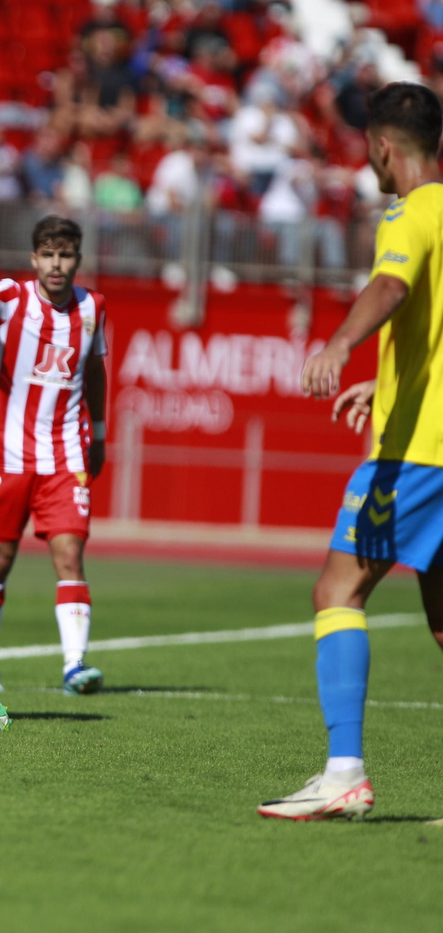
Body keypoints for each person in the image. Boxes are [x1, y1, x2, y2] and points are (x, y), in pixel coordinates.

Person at [262, 82, 443, 820]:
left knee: (337, 591)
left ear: (383, 147)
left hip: (417, 454)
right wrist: (387, 381)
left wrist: (340, 343)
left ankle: (344, 773)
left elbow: (392, 286)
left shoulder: (408, 213)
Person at [0, 217, 108, 695]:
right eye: (48, 254)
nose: (57, 264)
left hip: (64, 456)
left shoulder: (93, 308)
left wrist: (98, 434)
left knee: (69, 553)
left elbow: (96, 371)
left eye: (66, 255)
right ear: (35, 258)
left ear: (77, 260)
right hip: (10, 456)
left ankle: (75, 665)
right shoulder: (15, 297)